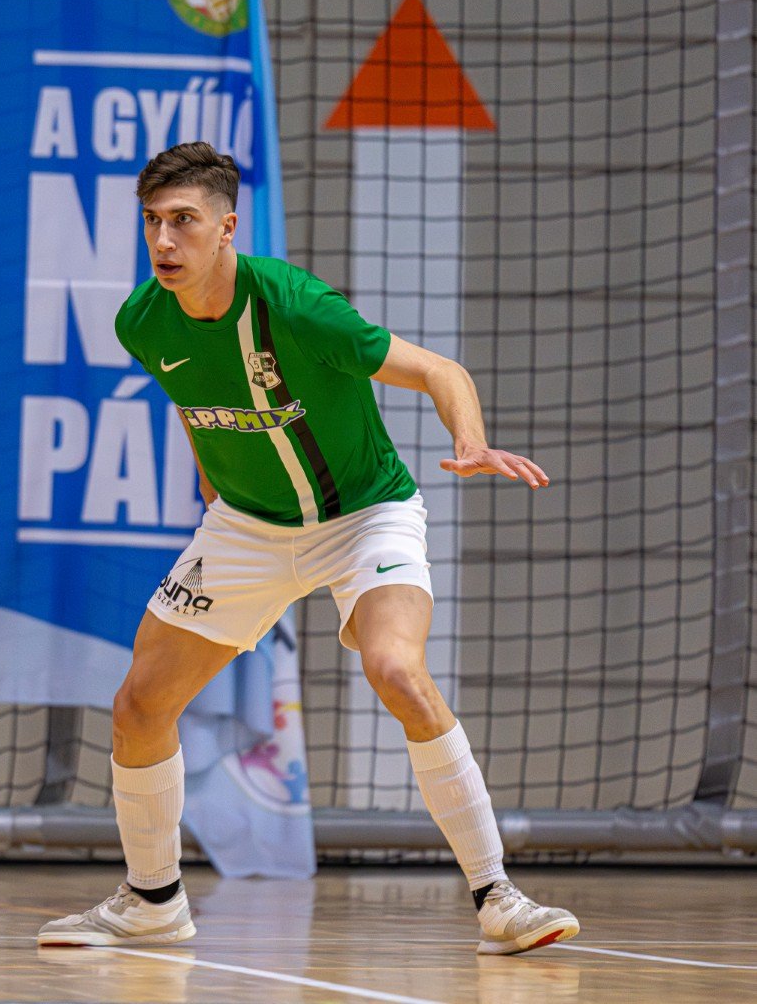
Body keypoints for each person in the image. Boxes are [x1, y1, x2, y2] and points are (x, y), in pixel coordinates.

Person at [36, 143, 579, 957]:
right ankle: (153, 901)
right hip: (249, 530)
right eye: (152, 222)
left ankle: (499, 896)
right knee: (139, 705)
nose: (163, 241)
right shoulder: (143, 320)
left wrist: (470, 441)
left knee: (397, 670)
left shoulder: (296, 304)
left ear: (227, 228)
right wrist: (216, 500)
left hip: (365, 515)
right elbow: (194, 402)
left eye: (183, 221)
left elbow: (439, 368)